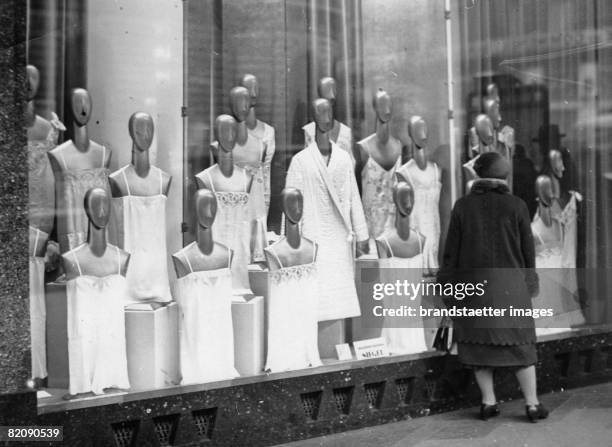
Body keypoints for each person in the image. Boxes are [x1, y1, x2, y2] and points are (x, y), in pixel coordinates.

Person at [438, 152, 548, 423]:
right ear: (504, 176)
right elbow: (527, 253)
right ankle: (532, 405)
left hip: (473, 289)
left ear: (477, 175)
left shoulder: (462, 206)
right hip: (511, 289)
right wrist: (530, 284)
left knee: (479, 349)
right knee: (521, 348)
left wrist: (449, 288)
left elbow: (450, 254)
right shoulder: (517, 205)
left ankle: (488, 403)